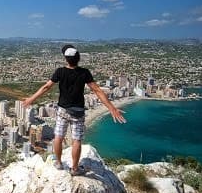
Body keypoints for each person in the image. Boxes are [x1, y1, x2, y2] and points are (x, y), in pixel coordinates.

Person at [22, 44, 127, 176]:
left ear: (66, 59)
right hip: (78, 112)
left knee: (58, 137)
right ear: (78, 58)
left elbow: (46, 87)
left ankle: (59, 163)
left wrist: (31, 99)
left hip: (62, 110)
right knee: (76, 140)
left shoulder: (60, 71)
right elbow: (97, 90)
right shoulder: (84, 72)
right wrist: (112, 108)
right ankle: (75, 168)